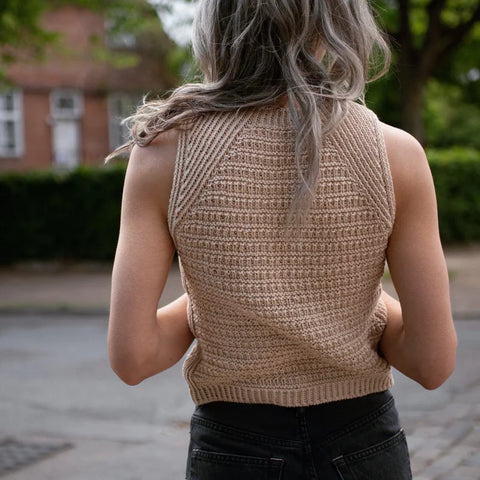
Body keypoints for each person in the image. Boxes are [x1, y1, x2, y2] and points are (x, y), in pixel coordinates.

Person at [107, 1, 457, 478]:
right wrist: (358, 300)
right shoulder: (395, 154)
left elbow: (133, 358)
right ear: (342, 20)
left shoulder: (165, 153)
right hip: (362, 446)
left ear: (216, 23)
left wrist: (217, 299)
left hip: (233, 448)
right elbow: (431, 363)